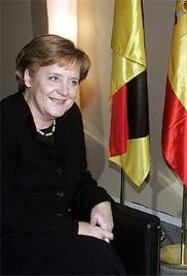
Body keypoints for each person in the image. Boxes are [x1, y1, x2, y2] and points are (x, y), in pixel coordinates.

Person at [1, 34, 127, 274]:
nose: (65, 91)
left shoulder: (69, 117)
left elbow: (79, 176)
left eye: (72, 82)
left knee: (105, 249)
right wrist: (75, 228)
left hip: (57, 224)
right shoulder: (6, 123)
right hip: (13, 238)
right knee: (97, 257)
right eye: (54, 78)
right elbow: (6, 211)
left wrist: (98, 200)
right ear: (28, 77)